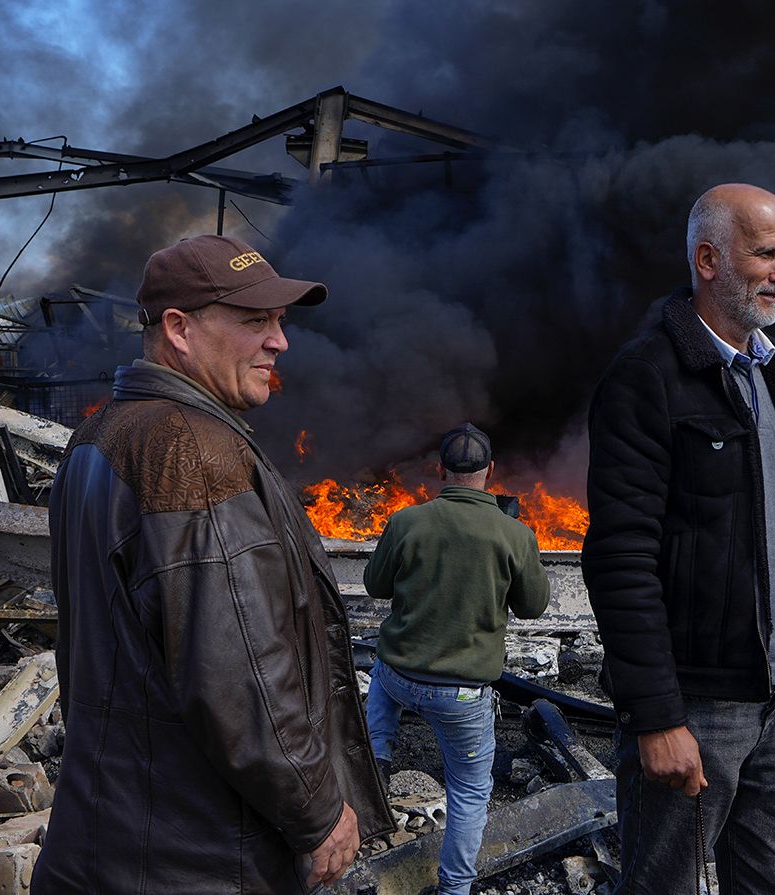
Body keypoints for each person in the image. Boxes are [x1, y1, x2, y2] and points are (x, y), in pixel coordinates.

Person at [35, 234, 394, 893]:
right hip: (197, 859)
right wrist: (317, 810)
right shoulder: (192, 452)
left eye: (279, 320)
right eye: (255, 320)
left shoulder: (100, 435)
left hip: (106, 836)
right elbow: (239, 669)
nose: (280, 341)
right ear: (179, 329)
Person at [582, 183, 775, 893]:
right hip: (699, 702)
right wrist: (656, 716)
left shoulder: (773, 369)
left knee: (768, 881)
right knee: (665, 883)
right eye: (766, 254)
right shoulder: (647, 377)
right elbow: (619, 558)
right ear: (709, 260)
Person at [363, 423, 550, 895]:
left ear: (440, 470)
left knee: (381, 672)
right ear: (490, 470)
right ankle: (455, 890)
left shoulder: (406, 521)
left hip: (399, 676)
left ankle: (375, 755)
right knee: (468, 792)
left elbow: (375, 585)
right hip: (461, 696)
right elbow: (533, 607)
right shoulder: (514, 534)